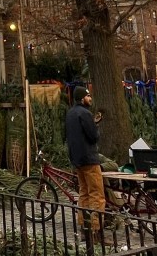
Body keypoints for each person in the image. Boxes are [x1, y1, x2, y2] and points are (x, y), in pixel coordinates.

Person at [65, 86, 105, 232]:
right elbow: (93, 136)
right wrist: (95, 126)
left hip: (77, 159)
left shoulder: (70, 113)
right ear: (82, 98)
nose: (90, 99)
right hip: (89, 159)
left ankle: (84, 226)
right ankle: (95, 229)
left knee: (84, 193)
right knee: (96, 194)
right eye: (88, 96)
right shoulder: (85, 113)